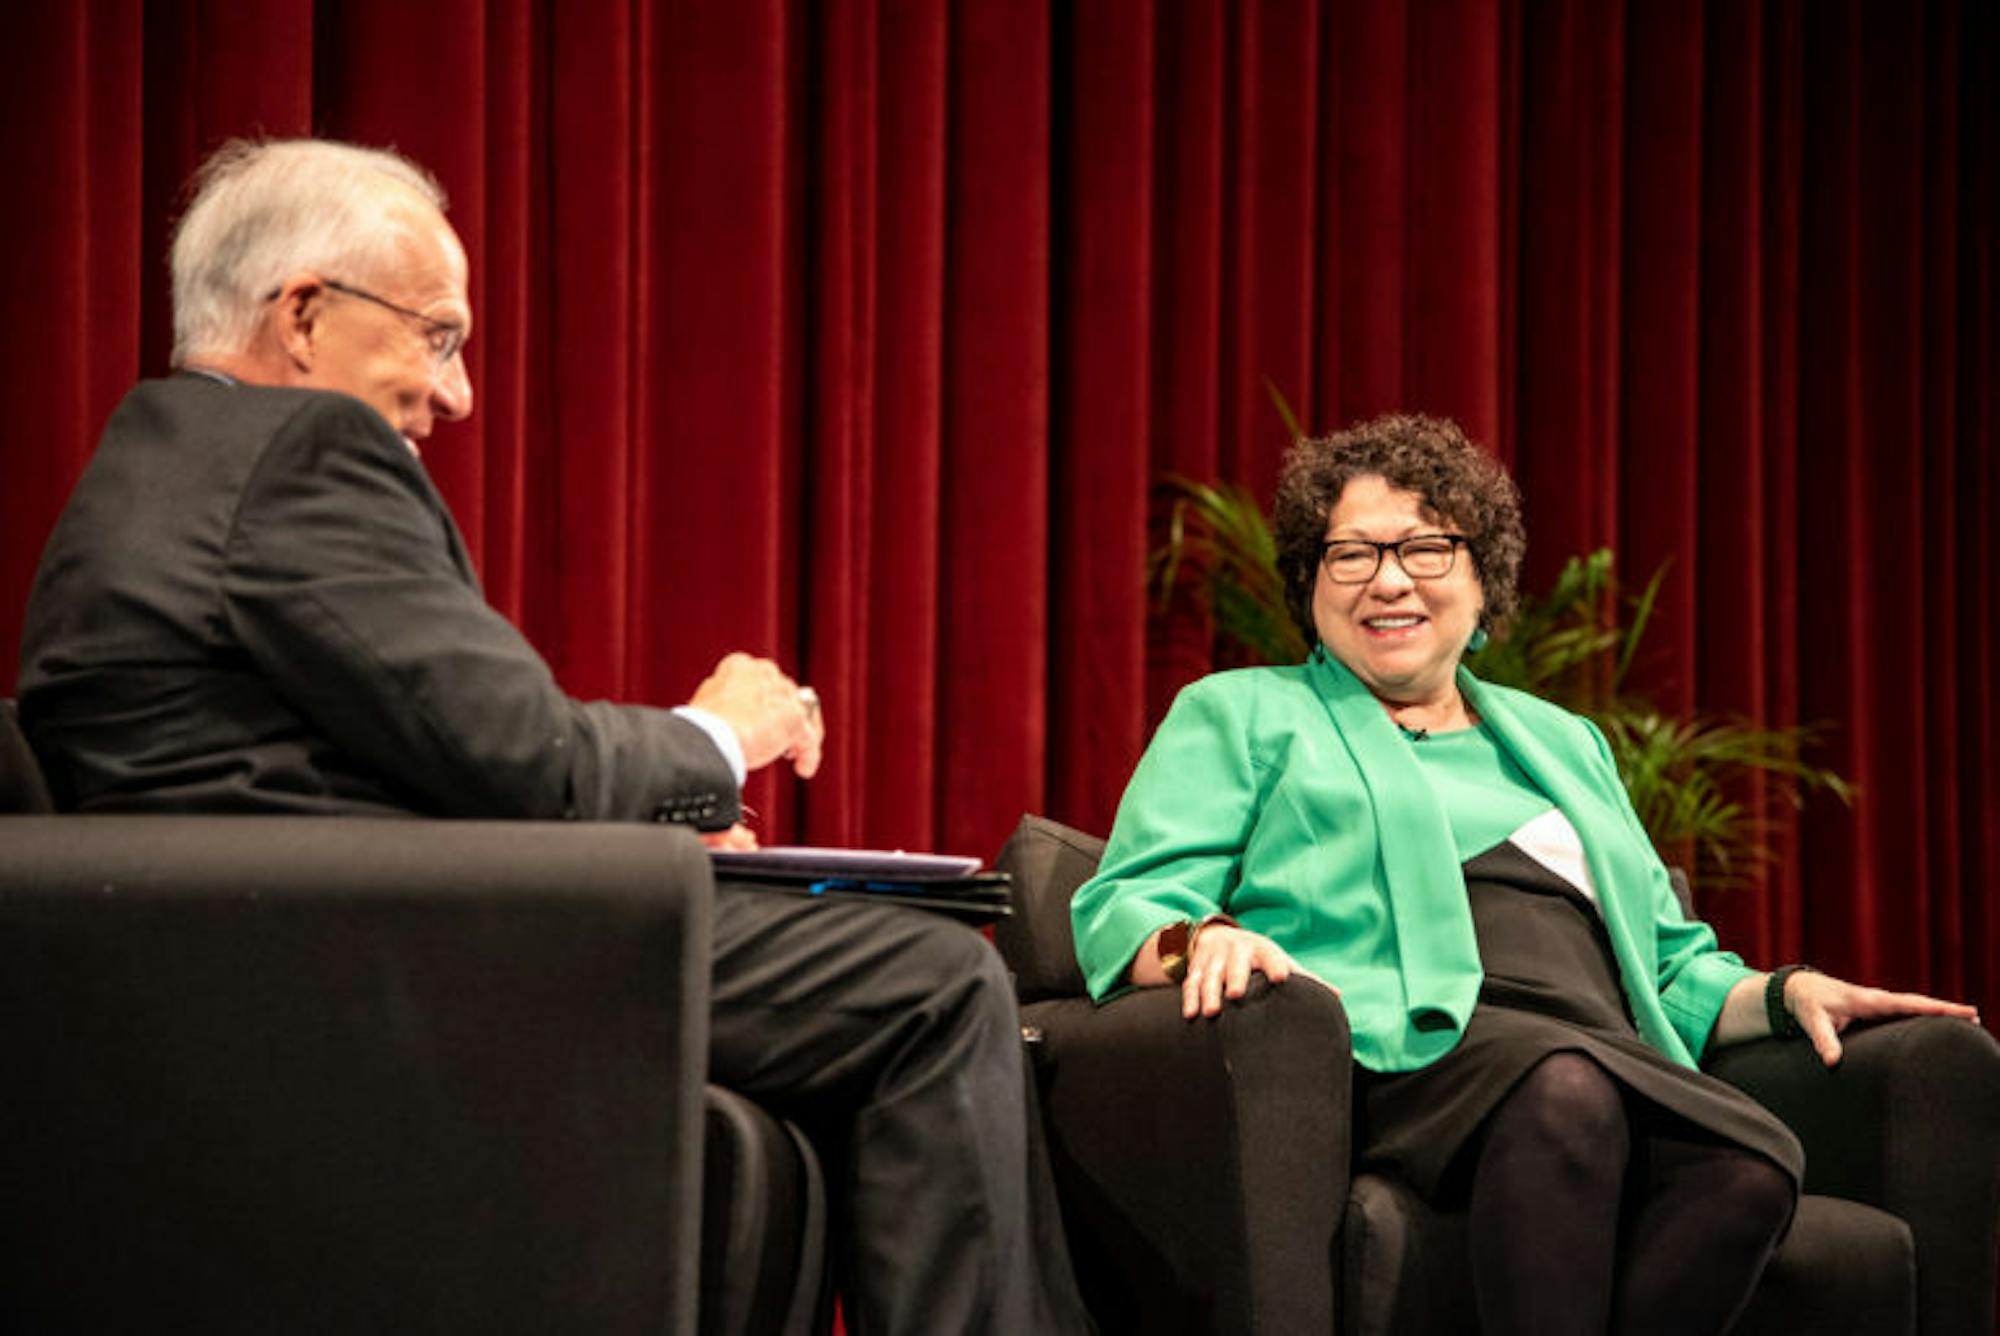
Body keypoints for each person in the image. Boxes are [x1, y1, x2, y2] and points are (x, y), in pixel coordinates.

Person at [16, 138, 1087, 1335]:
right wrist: (720, 735)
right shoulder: (299, 452)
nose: (459, 392)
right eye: (436, 335)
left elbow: (408, 759)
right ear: (304, 316)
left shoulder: (153, 460)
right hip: (371, 959)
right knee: (932, 983)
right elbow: (537, 761)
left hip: (277, 940)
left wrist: (646, 844)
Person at [1071, 412, 1979, 1334]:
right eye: (1351, 553)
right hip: (1409, 1044)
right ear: (1312, 580)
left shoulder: (1563, 741)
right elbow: (1125, 898)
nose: (1388, 579)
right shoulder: (1242, 713)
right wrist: (1201, 940)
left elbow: (1668, 964)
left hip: (1600, 1043)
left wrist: (1789, 994)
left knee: (1746, 1166)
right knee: (1565, 1090)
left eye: (1426, 549)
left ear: (1481, 581)